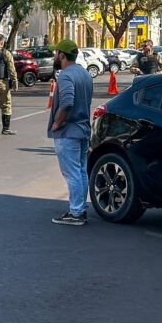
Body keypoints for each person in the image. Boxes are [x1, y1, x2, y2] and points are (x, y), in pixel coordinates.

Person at [47, 39, 93, 226]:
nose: (54, 56)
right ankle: (80, 208)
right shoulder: (84, 74)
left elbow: (67, 102)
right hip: (83, 129)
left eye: (56, 53)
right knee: (81, 171)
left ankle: (76, 213)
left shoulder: (65, 76)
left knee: (72, 173)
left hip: (69, 132)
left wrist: (57, 123)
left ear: (63, 55)